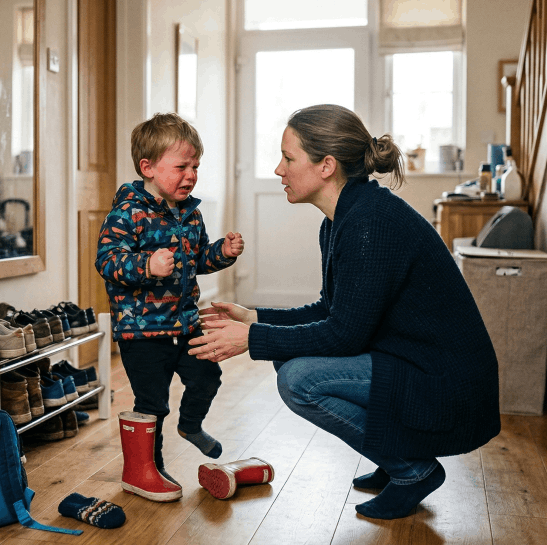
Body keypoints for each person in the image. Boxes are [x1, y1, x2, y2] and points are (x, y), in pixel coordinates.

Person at [187, 104, 500, 519]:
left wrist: (251, 340)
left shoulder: (369, 222)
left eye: (289, 158)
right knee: (287, 354)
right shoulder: (343, 218)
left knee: (298, 380)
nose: (279, 169)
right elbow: (332, 310)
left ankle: (411, 470)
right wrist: (255, 318)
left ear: (326, 166)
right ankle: (395, 458)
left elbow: (344, 335)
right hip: (416, 363)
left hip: (446, 382)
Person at [96, 112, 245, 501]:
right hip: (142, 331)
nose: (191, 175)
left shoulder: (189, 213)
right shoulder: (127, 213)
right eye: (181, 166)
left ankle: (191, 425)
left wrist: (222, 253)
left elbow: (198, 260)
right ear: (147, 167)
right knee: (152, 404)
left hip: (185, 323)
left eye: (195, 166)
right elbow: (108, 262)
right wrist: (148, 265)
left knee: (207, 375)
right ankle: (149, 469)